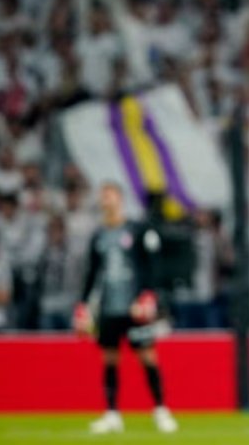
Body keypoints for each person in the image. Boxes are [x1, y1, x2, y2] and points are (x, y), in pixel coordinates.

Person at [73, 182, 178, 434]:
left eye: (109, 195)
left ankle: (161, 410)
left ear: (120, 199)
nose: (105, 200)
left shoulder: (136, 230)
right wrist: (83, 305)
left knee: (148, 357)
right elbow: (92, 273)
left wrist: (147, 295)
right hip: (109, 307)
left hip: (135, 308)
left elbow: (151, 265)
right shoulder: (99, 236)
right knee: (109, 359)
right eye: (103, 196)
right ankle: (112, 414)